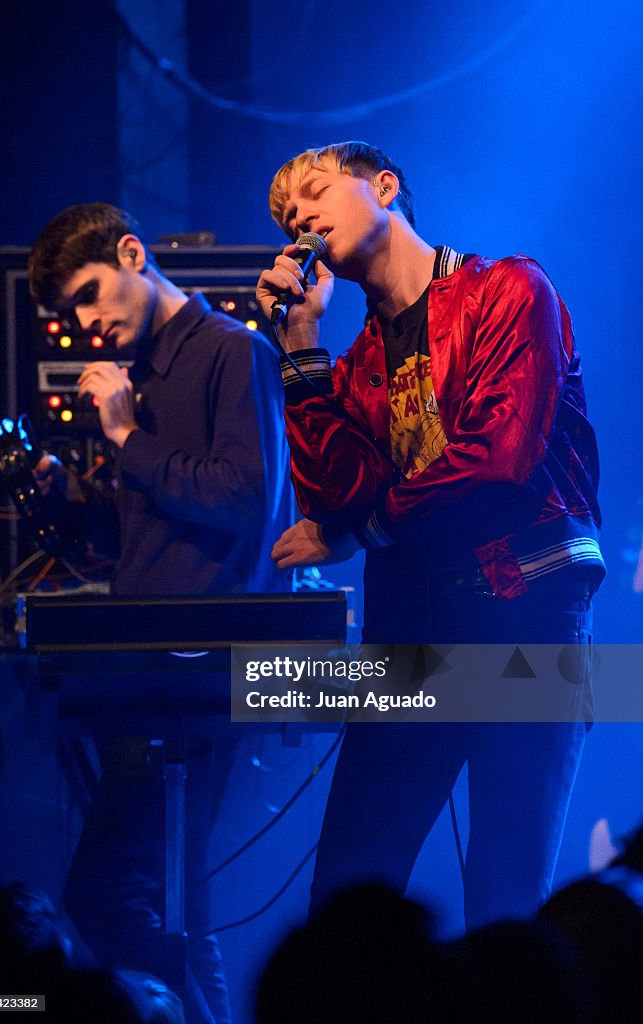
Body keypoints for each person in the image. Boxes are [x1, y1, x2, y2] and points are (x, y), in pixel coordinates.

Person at [256, 142, 605, 928]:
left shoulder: (509, 289)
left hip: (524, 607)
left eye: (313, 193)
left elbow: (499, 457)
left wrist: (370, 525)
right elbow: (333, 496)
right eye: (285, 215)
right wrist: (302, 351)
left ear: (384, 187)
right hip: (410, 632)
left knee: (503, 904)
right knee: (345, 898)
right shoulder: (351, 368)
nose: (298, 217)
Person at [28, 202, 292, 1024]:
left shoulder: (232, 353)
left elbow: (248, 501)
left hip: (203, 675)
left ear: (134, 254)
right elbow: (149, 534)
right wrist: (69, 501)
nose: (84, 324)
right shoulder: (142, 378)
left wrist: (125, 435)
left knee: (116, 894)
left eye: (88, 295)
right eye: (68, 314)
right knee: (175, 900)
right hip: (147, 673)